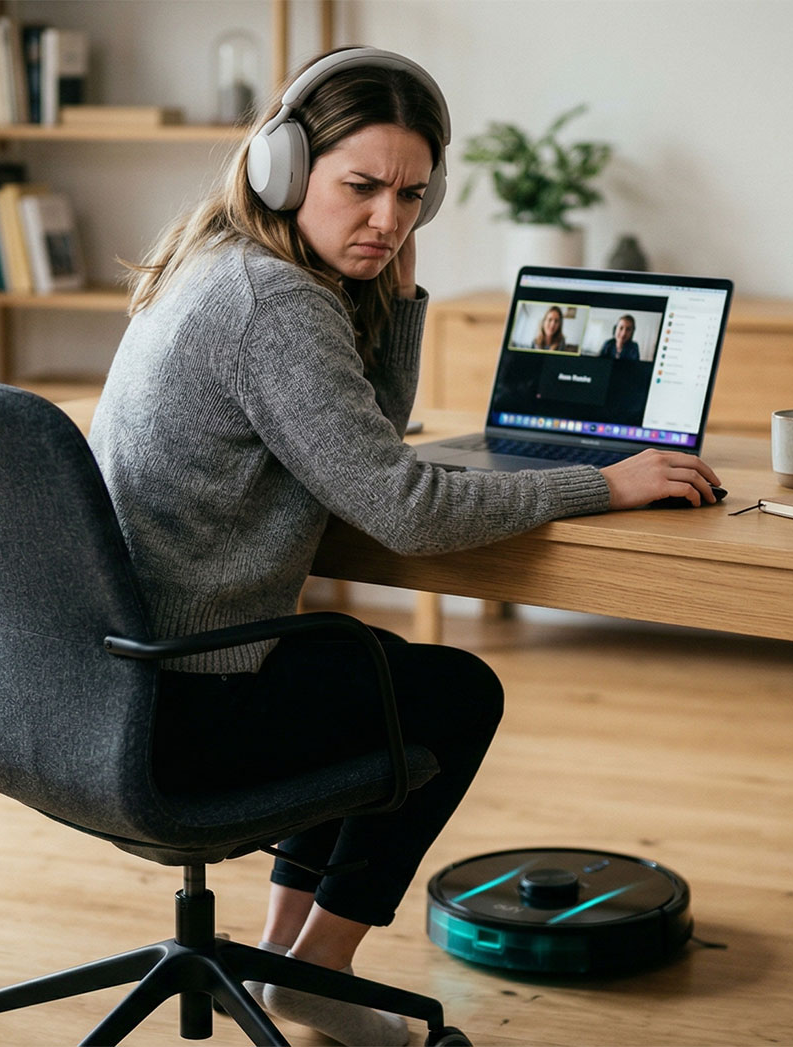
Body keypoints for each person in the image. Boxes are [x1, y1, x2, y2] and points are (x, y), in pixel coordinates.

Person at [89, 46, 719, 1047]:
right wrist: (605, 483)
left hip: (106, 686)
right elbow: (409, 510)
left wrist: (399, 299)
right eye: (362, 188)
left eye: (412, 196)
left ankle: (281, 961)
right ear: (282, 168)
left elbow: (368, 443)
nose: (389, 219)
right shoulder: (275, 301)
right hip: (182, 703)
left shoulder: (218, 260)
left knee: (362, 667)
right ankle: (324, 973)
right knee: (452, 695)